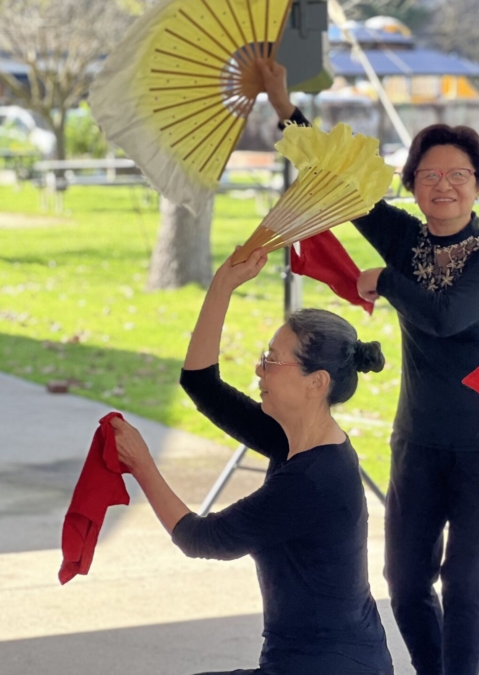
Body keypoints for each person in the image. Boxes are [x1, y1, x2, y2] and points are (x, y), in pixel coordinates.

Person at [258, 60, 479, 675]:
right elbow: (336, 179)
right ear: (413, 184)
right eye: (429, 175)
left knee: (467, 587)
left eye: (458, 175)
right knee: (404, 583)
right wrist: (284, 106)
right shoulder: (406, 240)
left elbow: (444, 316)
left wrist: (384, 279)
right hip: (419, 440)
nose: (444, 186)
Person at [110, 247, 393, 675]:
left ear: (316, 383)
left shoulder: (312, 480)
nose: (260, 370)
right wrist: (223, 284)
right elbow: (201, 384)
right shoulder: (294, 438)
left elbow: (199, 538)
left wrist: (141, 464)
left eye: (272, 361)